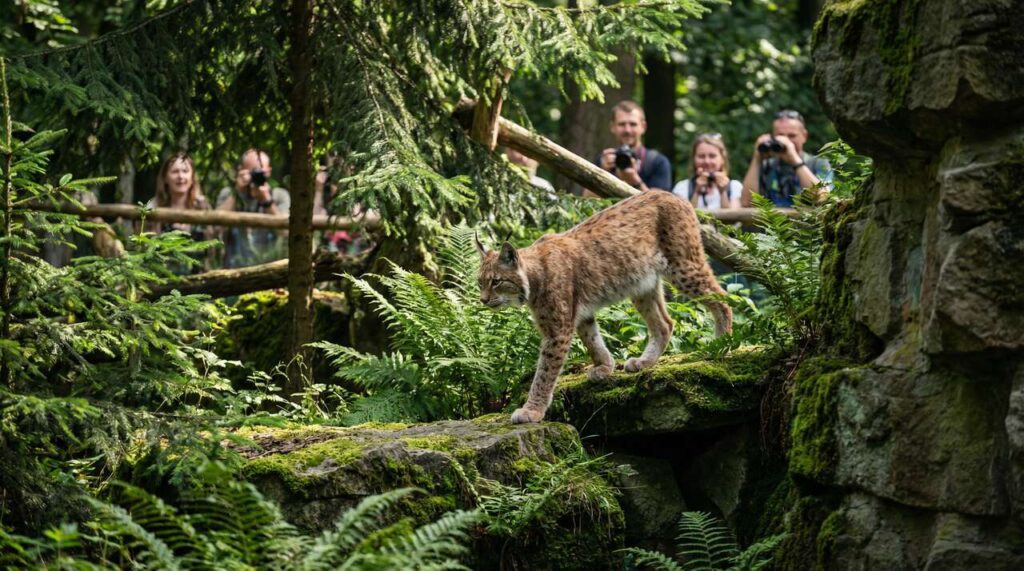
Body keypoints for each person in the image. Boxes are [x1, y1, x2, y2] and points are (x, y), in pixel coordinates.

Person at [216, 148, 291, 267]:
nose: (256, 175)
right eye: (251, 171)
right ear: (240, 170)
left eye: (260, 171)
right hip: (233, 269)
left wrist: (267, 201)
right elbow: (216, 227)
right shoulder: (228, 194)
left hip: (271, 270)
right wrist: (237, 193)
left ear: (268, 171)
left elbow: (285, 231)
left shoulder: (279, 196)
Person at [741, 109, 832, 207]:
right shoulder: (767, 165)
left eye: (792, 136)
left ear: (804, 136)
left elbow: (822, 199)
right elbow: (746, 203)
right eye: (780, 136)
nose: (786, 141)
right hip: (773, 222)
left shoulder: (818, 163)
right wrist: (757, 158)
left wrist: (795, 161)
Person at [595, 100, 672, 193]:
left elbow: (659, 205)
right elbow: (586, 200)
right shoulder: (605, 161)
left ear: (643, 127)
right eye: (622, 124)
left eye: (633, 124)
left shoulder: (658, 162)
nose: (627, 130)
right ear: (612, 127)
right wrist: (602, 173)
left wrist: (635, 181)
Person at [671, 133, 742, 210]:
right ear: (694, 159)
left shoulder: (735, 187)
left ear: (722, 159)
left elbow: (733, 219)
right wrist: (696, 192)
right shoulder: (682, 187)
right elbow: (683, 219)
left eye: (712, 156)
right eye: (701, 156)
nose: (707, 161)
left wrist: (723, 193)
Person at [146, 152, 210, 235]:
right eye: (175, 171)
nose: (180, 176)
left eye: (185, 171)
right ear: (165, 178)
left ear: (192, 177)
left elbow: (212, 241)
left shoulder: (201, 206)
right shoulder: (153, 206)